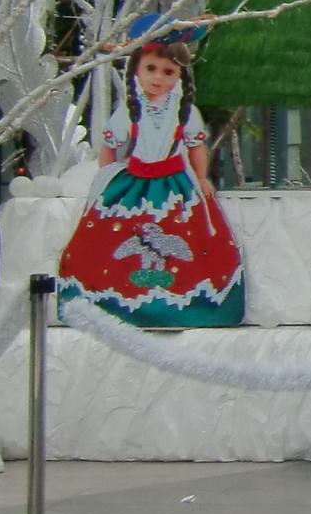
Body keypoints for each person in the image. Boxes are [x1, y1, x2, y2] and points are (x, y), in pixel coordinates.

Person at [57, 35, 246, 327]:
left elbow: (196, 147)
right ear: (137, 70)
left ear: (180, 75)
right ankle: (115, 302)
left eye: (168, 71)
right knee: (110, 240)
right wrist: (107, 174)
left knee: (192, 238)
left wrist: (200, 177)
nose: (158, 77)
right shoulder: (130, 109)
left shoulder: (185, 111)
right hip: (133, 183)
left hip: (176, 185)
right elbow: (110, 146)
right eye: (151, 69)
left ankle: (186, 304)